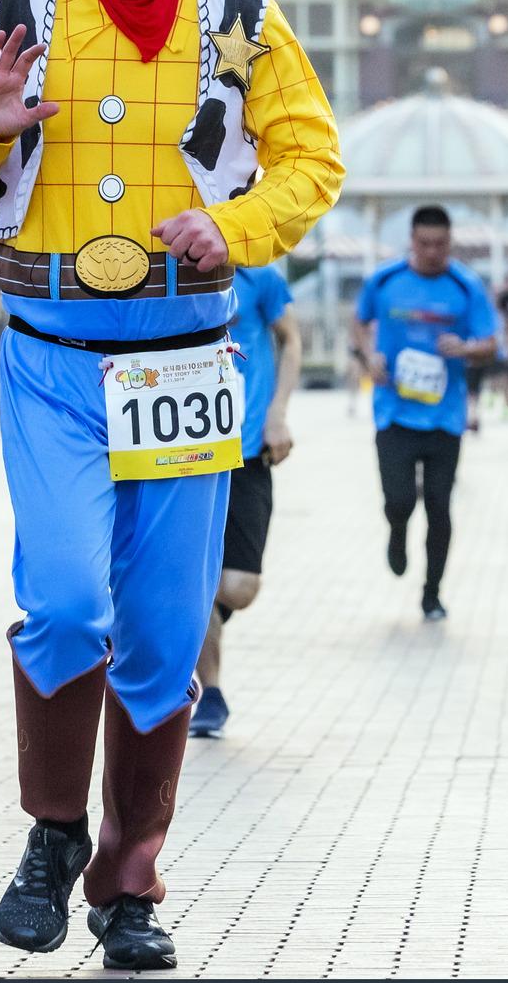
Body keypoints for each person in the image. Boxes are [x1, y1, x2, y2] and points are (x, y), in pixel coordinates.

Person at [0, 0, 343, 971]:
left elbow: (312, 158)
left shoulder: (244, 21)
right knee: (67, 603)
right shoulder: (20, 8)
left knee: (163, 633)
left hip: (183, 362)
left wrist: (238, 225)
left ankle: (128, 882)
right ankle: (54, 831)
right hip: (52, 358)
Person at [353, 205, 498, 621]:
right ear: (412, 241)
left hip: (444, 416)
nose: (432, 252)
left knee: (439, 505)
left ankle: (432, 593)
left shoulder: (466, 286)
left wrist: (466, 348)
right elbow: (359, 322)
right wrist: (369, 356)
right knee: (399, 500)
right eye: (424, 243)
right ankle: (397, 529)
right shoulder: (385, 280)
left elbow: (490, 343)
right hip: (393, 411)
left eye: (440, 244)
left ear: (450, 243)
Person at [189, 264, 301, 738]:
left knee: (237, 587)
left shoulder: (260, 277)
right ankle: (209, 691)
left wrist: (278, 412)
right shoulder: (162, 268)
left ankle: (175, 607)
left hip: (247, 447)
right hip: (181, 453)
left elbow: (291, 340)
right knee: (192, 577)